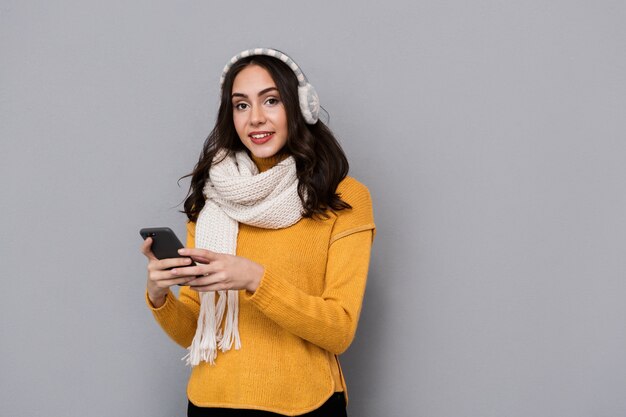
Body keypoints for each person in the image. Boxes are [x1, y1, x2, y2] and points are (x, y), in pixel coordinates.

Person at [141, 48, 375, 417]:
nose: (256, 119)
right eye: (241, 105)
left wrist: (254, 279)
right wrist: (159, 295)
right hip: (210, 402)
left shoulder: (342, 197)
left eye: (271, 100)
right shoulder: (213, 198)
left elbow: (339, 330)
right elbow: (196, 334)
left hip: (303, 405)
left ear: (301, 107)